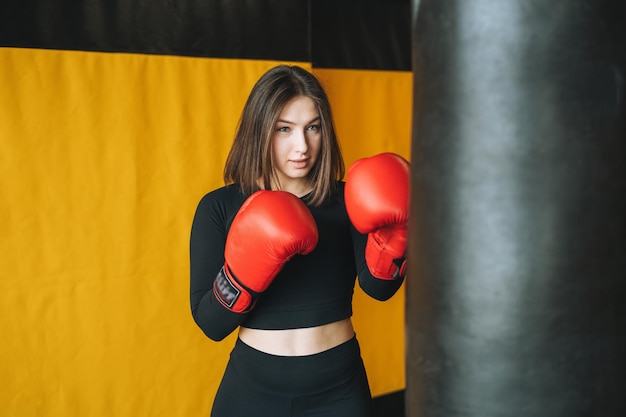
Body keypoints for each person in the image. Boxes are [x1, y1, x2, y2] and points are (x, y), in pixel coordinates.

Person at [189, 64, 409, 417]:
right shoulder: (220, 207)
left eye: (313, 128)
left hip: (339, 388)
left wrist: (397, 236)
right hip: (253, 390)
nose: (301, 145)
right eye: (284, 129)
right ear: (259, 131)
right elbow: (211, 325)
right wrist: (243, 272)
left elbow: (378, 289)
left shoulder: (348, 200)